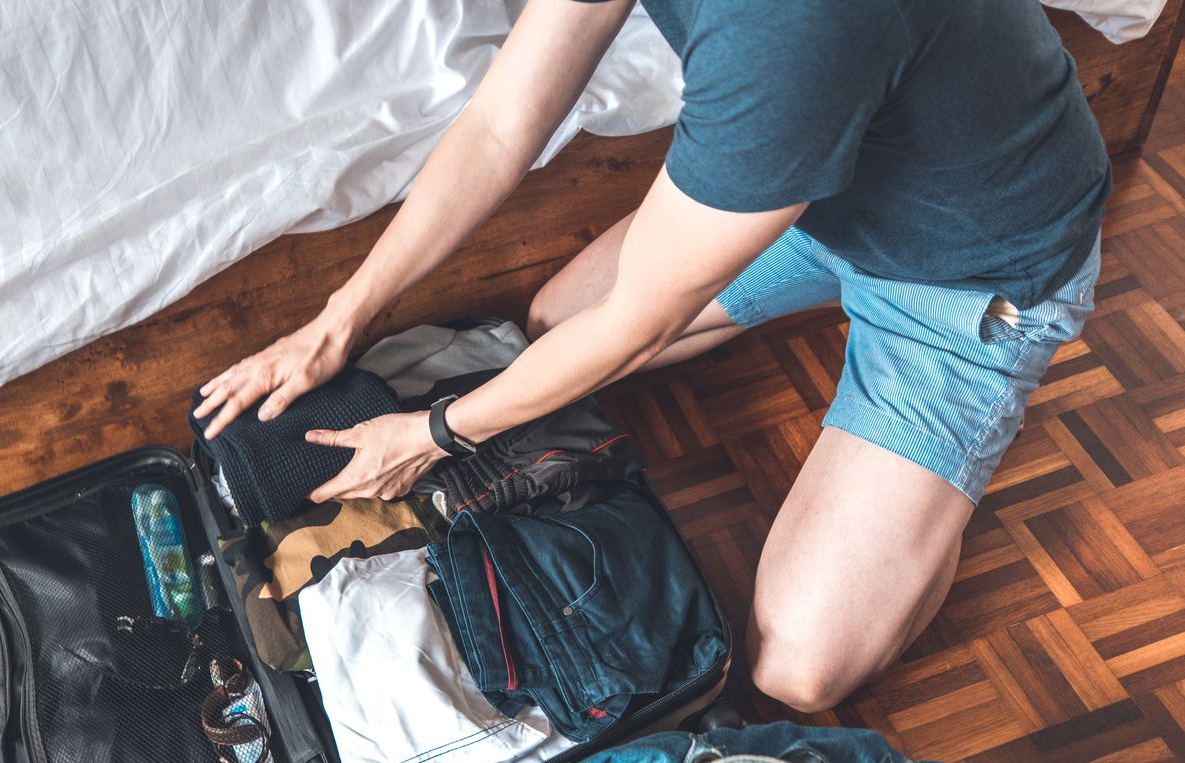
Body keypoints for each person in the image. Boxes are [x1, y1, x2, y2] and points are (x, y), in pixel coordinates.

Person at [193, 0, 1109, 714]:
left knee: (798, 669)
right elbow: (504, 121)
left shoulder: (791, 34)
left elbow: (638, 322)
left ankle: (942, 484)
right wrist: (337, 318)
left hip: (971, 278)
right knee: (555, 323)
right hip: (827, 199)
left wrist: (433, 435)